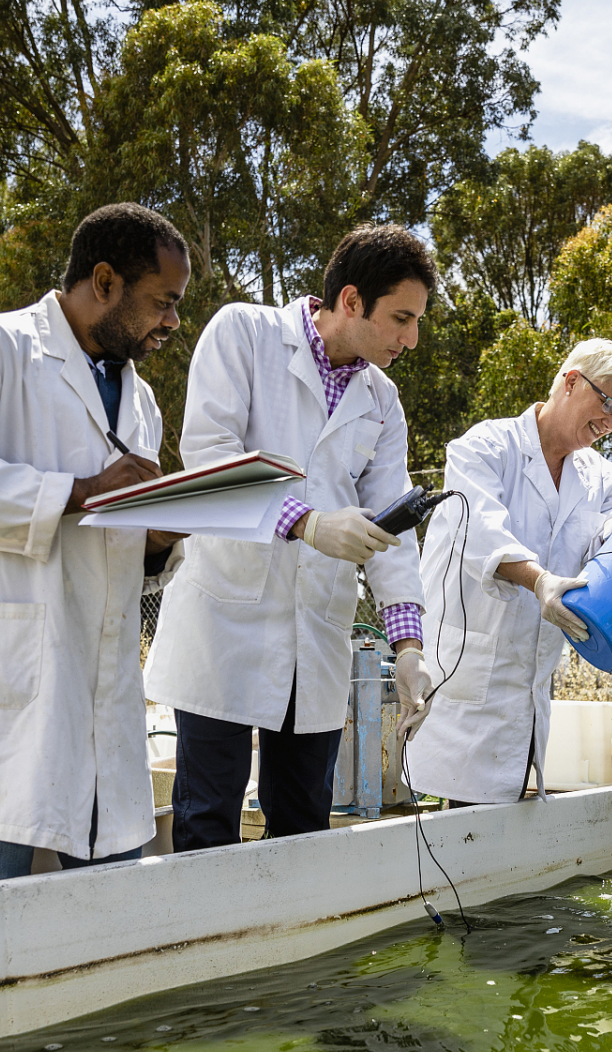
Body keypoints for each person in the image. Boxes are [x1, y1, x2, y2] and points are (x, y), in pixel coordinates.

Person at [0, 202, 192, 886]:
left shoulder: (139, 401)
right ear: (104, 281)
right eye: (161, 302)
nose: (171, 322)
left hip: (99, 680)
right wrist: (77, 491)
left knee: (114, 897)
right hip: (7, 672)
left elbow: (114, 545)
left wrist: (158, 537)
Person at [144, 225, 437, 850]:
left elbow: (393, 524)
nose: (412, 339)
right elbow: (208, 461)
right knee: (208, 815)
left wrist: (408, 645)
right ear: (352, 301)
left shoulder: (382, 401)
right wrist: (307, 523)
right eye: (402, 318)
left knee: (303, 820)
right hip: (226, 617)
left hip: (317, 630)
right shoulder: (243, 335)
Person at [404, 339, 612, 804]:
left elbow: (609, 538)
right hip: (468, 675)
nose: (611, 423)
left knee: (507, 826)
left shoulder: (599, 476)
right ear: (571, 382)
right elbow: (482, 532)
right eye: (608, 403)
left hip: (530, 684)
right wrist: (540, 580)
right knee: (458, 824)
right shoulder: (485, 448)